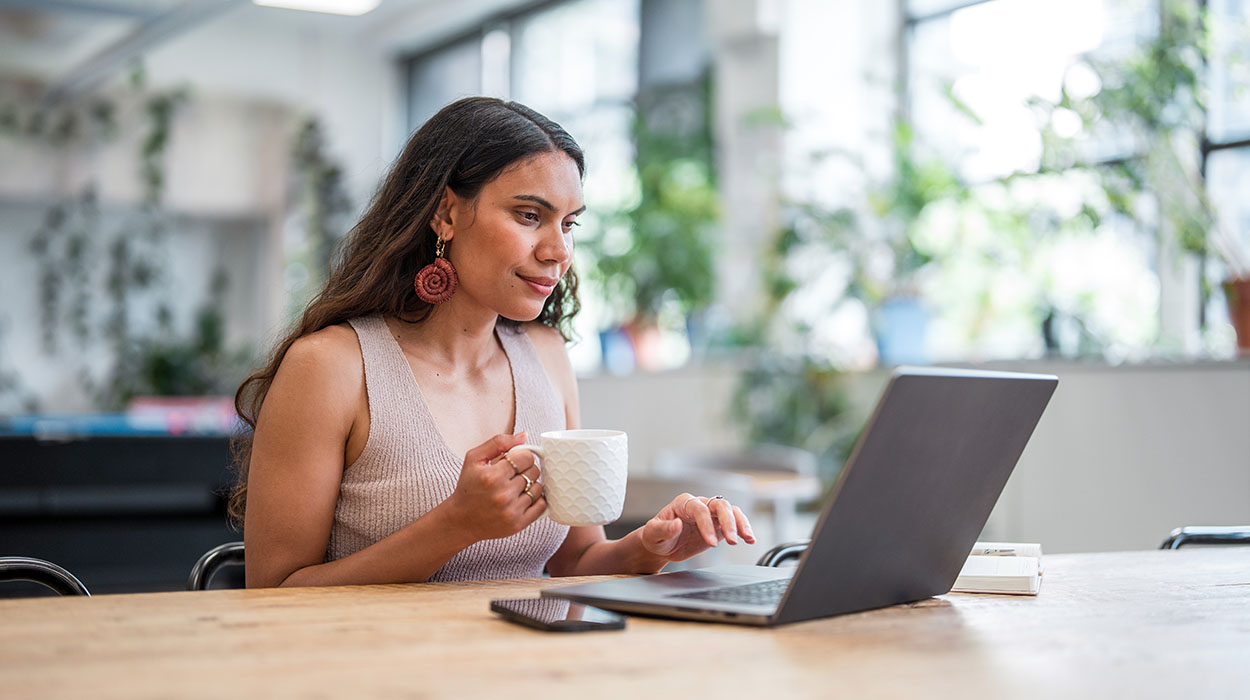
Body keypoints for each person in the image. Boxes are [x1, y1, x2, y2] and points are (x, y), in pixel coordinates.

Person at [229, 97, 754, 587]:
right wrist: (454, 525)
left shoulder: (546, 355)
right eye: (530, 216)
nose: (559, 251)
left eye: (569, 224)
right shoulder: (329, 367)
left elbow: (574, 560)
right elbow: (272, 590)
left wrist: (653, 545)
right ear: (447, 214)